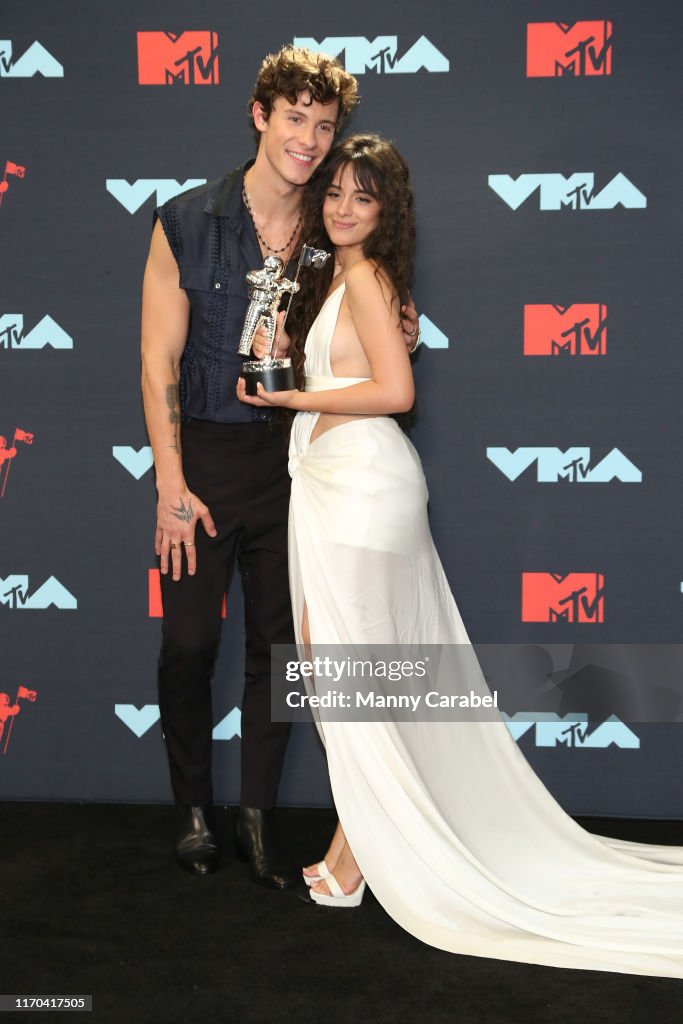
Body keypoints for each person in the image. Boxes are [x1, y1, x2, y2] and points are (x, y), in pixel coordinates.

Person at [237, 134, 683, 978]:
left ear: (386, 211)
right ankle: (356, 849)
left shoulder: (364, 277)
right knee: (346, 683)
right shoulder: (342, 276)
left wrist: (292, 394)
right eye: (333, 193)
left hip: (362, 493)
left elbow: (396, 393)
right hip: (335, 487)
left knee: (353, 681)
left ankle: (354, 859)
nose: (340, 209)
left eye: (361, 199)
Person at [140, 48, 419, 885]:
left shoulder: (334, 226)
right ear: (260, 116)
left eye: (323, 124)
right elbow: (158, 360)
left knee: (281, 649)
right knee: (189, 643)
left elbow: (370, 322)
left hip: (298, 464)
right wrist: (169, 484)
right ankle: (194, 810)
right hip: (206, 457)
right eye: (293, 118)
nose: (308, 139)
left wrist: (398, 328)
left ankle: (258, 818)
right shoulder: (187, 220)